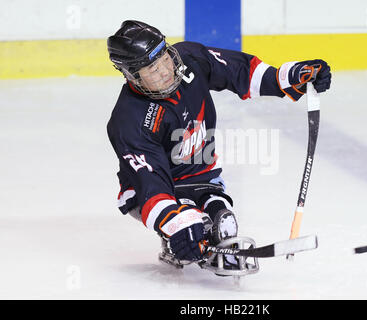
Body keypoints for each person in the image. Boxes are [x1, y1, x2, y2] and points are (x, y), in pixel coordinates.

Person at [106, 20, 331, 267]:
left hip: (202, 173)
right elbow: (150, 184)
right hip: (154, 188)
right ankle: (187, 228)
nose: (165, 72)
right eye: (152, 70)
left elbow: (240, 71)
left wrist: (289, 77)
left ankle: (208, 217)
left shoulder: (190, 58)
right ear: (132, 76)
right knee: (190, 223)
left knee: (222, 215)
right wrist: (175, 223)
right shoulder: (129, 119)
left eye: (165, 60)